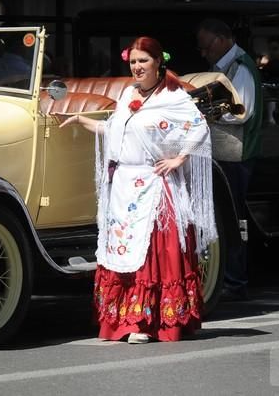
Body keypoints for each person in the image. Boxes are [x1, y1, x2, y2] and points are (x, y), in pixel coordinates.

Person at [58, 36, 216, 343]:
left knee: (151, 255)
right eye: (133, 62)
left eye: (143, 60)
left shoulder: (173, 96)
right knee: (123, 253)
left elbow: (199, 127)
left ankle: (147, 322)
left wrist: (179, 158)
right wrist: (81, 119)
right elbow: (117, 130)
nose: (137, 67)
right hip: (124, 187)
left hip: (153, 185)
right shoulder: (127, 93)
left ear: (158, 62)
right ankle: (126, 320)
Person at [196, 18, 262, 301]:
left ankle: (236, 280)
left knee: (233, 218)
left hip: (236, 153)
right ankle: (230, 278)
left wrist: (205, 115)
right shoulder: (223, 67)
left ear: (223, 40)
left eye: (207, 46)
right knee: (226, 216)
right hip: (224, 153)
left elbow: (241, 112)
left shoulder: (240, 68)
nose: (204, 52)